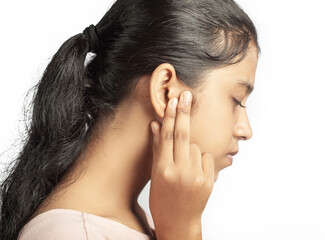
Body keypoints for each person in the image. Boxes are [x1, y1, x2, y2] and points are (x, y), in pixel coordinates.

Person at [0, 0, 261, 239]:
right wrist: (184, 231)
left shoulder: (129, 221)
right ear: (166, 90)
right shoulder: (73, 235)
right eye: (236, 101)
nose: (245, 130)